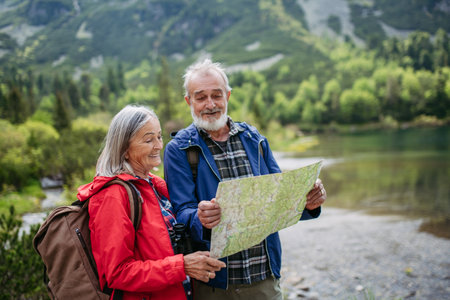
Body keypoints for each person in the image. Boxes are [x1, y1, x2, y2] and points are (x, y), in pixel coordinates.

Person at [163, 59, 327, 300]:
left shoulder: (254, 139)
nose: (210, 104)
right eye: (201, 97)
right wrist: (199, 217)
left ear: (228, 96)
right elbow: (182, 212)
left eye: (216, 95)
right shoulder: (179, 149)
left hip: (263, 277)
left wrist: (309, 203)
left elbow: (279, 198)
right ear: (189, 101)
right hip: (213, 283)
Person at [76, 105, 226, 300]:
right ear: (124, 149)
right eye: (148, 140)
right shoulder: (112, 197)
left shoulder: (155, 185)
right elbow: (118, 273)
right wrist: (182, 266)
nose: (158, 146)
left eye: (159, 136)